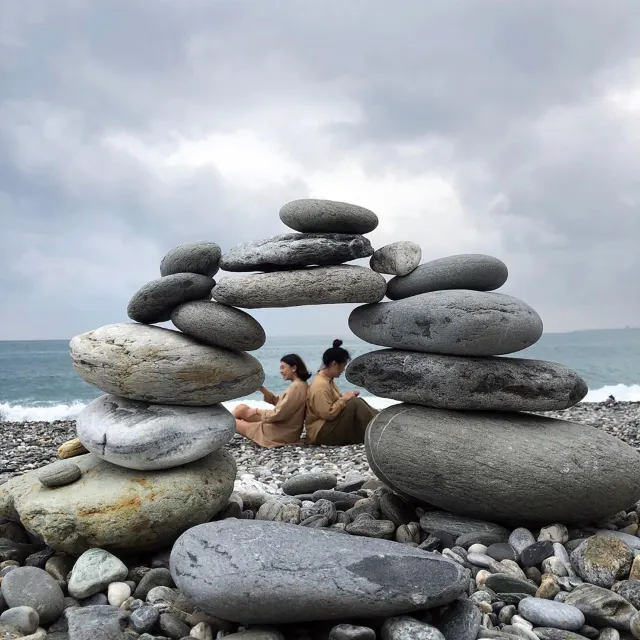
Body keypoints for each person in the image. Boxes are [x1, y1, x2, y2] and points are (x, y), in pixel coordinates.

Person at [305, 339, 378, 445]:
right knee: (354, 403)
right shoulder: (320, 385)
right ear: (334, 364)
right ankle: (378, 426)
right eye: (343, 366)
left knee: (355, 402)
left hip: (327, 428)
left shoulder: (328, 380)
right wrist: (344, 399)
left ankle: (378, 423)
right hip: (321, 433)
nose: (343, 369)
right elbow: (328, 414)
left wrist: (346, 398)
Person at [233, 354, 310, 448]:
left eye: (283, 367)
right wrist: (262, 389)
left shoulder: (296, 387)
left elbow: (278, 414)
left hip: (279, 434)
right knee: (241, 408)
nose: (281, 371)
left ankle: (215, 432)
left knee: (232, 422)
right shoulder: (301, 385)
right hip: (283, 427)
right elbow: (282, 403)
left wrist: (257, 411)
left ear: (294, 368)